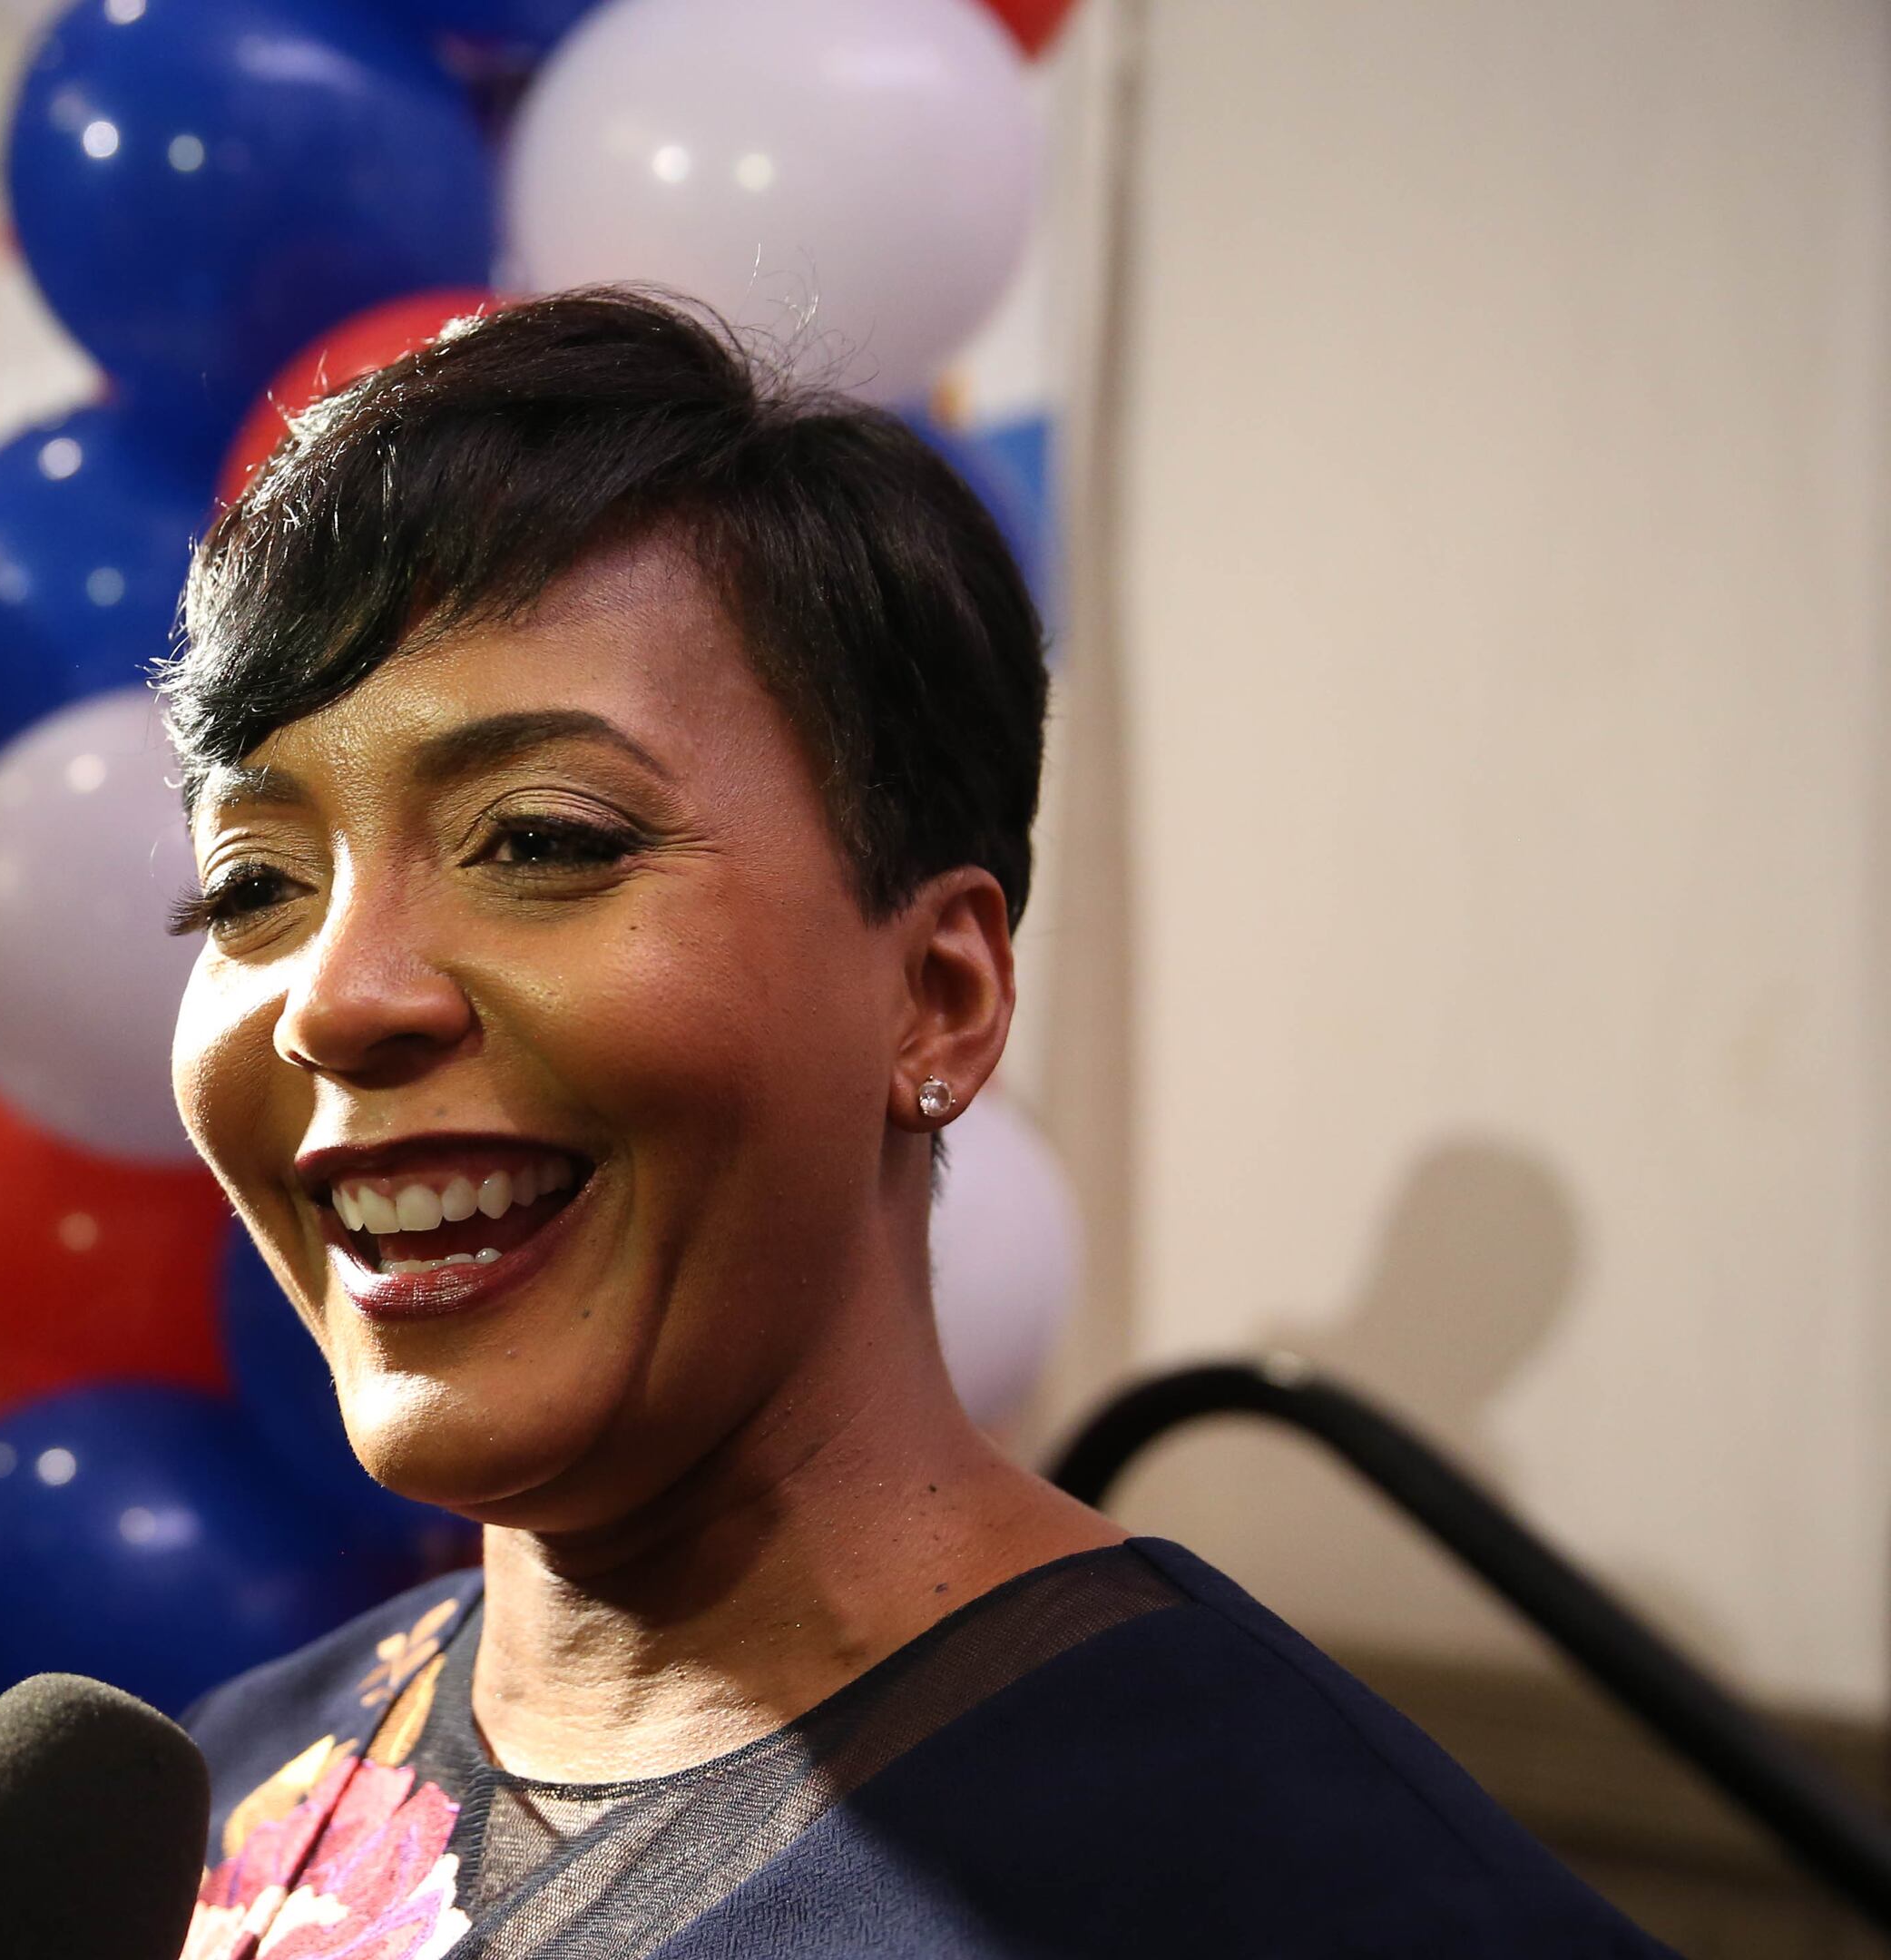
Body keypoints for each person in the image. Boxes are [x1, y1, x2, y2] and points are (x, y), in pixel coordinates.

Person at [158, 291, 1669, 1958]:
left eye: (540, 837)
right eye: (253, 885)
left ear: (937, 999)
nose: (330, 1000)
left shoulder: (1295, 1886)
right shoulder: (205, 1798)